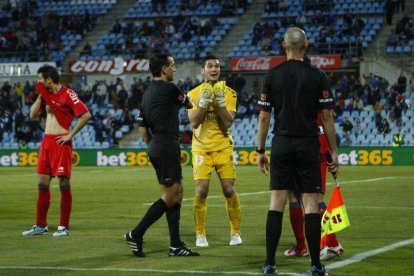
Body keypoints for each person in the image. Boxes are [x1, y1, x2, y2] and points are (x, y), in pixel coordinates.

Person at [257, 27, 338, 276]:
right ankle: (316, 265)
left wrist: (260, 150)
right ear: (307, 44)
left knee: (276, 204)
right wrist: (333, 151)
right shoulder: (318, 76)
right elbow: (326, 116)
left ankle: (270, 264)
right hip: (308, 145)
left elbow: (263, 117)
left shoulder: (272, 75)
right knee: (311, 204)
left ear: (284, 45)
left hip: (281, 144)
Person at [124, 53, 199, 257]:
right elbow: (189, 104)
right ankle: (136, 233)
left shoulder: (147, 93)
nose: (175, 69)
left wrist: (154, 146)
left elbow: (142, 128)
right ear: (164, 69)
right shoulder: (170, 89)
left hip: (158, 144)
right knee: (170, 196)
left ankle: (175, 245)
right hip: (166, 144)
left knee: (178, 193)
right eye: (173, 65)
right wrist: (162, 146)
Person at [22, 65, 91, 237]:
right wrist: (40, 95)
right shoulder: (46, 95)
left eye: (40, 79)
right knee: (42, 185)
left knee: (63, 185)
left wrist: (70, 134)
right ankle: (40, 225)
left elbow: (86, 114)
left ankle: (64, 227)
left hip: (61, 142)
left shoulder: (68, 94)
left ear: (49, 79)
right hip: (46, 142)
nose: (38, 82)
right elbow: (32, 115)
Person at [187, 55, 241, 248]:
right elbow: (194, 122)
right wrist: (203, 102)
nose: (214, 69)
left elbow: (228, 122)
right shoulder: (193, 94)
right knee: (201, 191)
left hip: (223, 146)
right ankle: (200, 234)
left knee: (229, 190)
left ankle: (235, 232)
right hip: (201, 148)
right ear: (203, 70)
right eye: (210, 66)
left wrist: (219, 103)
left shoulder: (229, 93)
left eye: (217, 66)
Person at [284, 114, 344, 261]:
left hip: (309, 142)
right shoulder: (319, 92)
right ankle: (302, 247)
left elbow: (327, 116)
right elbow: (328, 115)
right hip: (307, 141)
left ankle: (332, 243)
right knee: (294, 194)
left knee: (314, 197)